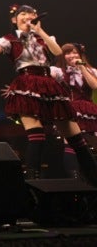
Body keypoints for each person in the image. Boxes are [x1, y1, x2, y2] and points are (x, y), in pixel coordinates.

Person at [0, 4, 97, 185]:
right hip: (27, 84)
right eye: (23, 13)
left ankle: (93, 180)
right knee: (36, 135)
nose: (27, 16)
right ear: (15, 19)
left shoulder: (44, 37)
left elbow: (57, 52)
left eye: (31, 13)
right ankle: (33, 184)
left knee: (76, 139)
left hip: (49, 85)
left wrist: (40, 31)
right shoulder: (9, 40)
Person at [53, 43, 97, 178]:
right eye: (68, 53)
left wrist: (82, 67)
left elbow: (94, 85)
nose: (72, 55)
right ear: (63, 56)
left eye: (75, 52)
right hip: (70, 109)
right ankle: (74, 178)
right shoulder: (58, 71)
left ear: (80, 54)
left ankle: (91, 176)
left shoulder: (92, 71)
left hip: (90, 109)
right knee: (71, 142)